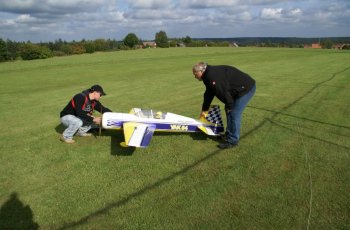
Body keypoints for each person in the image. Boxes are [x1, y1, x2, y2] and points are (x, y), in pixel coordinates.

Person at [192, 62, 256, 149]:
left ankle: (233, 141)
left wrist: (229, 105)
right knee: (229, 110)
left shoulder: (211, 76)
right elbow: (209, 93)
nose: (195, 76)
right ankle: (228, 134)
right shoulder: (207, 76)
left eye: (195, 74)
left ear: (201, 71)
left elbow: (223, 92)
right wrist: (204, 109)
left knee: (234, 113)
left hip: (246, 88)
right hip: (237, 89)